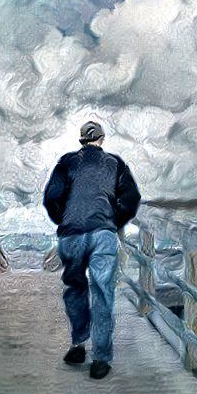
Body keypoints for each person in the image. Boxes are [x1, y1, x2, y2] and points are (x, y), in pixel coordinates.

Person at [43, 121, 141, 380]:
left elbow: (51, 198)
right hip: (103, 235)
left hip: (71, 235)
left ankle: (78, 346)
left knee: (75, 288)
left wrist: (66, 220)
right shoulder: (115, 163)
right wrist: (113, 221)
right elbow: (131, 200)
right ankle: (100, 358)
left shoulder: (67, 162)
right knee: (102, 292)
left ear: (81, 140)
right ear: (101, 139)